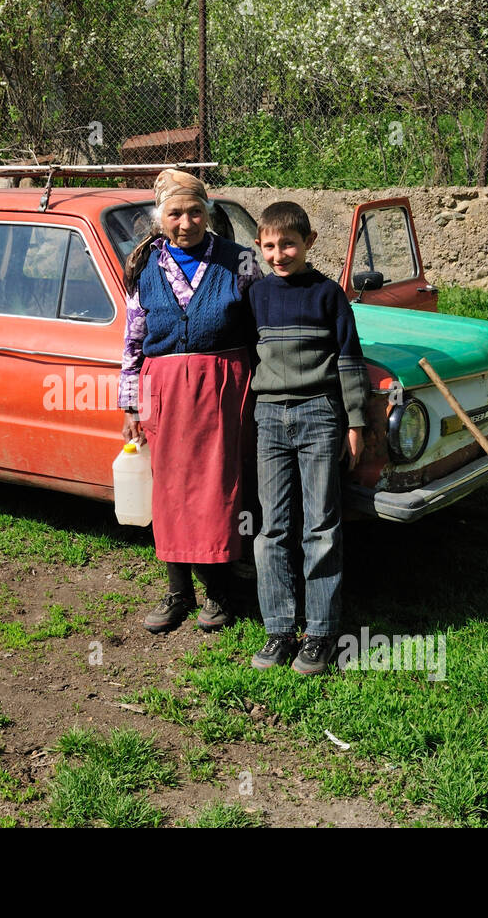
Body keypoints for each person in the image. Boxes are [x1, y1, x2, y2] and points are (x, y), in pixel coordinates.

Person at [120, 169, 262, 634]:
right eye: (176, 213)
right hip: (164, 390)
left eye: (196, 212)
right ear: (160, 218)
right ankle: (178, 592)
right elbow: (133, 342)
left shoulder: (239, 261)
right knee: (170, 492)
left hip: (224, 387)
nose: (187, 222)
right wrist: (130, 406)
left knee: (219, 492)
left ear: (209, 213)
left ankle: (221, 595)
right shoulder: (144, 266)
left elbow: (262, 329)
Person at [246, 202, 370, 675]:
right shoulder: (256, 296)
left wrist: (355, 422)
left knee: (321, 526)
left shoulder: (328, 296)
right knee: (272, 528)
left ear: (310, 242)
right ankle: (279, 629)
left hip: (320, 415)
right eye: (271, 246)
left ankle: (319, 632)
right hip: (270, 418)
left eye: (289, 244)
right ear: (260, 247)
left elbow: (349, 361)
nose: (280, 254)